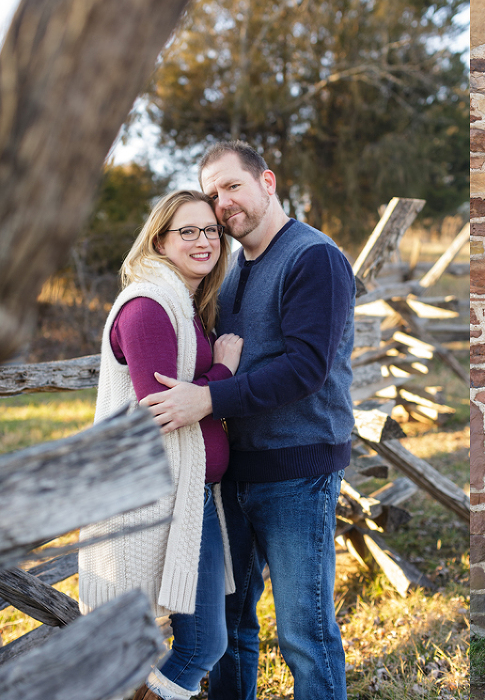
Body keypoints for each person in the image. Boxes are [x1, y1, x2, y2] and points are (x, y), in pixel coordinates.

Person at [139, 141, 356, 700]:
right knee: (233, 627)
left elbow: (305, 369)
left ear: (267, 181)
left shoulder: (313, 257)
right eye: (212, 194)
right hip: (235, 475)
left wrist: (208, 401)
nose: (222, 203)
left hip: (297, 470)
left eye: (232, 186)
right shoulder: (233, 272)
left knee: (304, 631)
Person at [78, 190, 243, 700]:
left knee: (203, 641)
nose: (203, 241)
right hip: (165, 498)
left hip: (191, 497)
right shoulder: (149, 305)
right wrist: (225, 371)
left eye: (211, 231)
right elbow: (161, 407)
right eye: (187, 231)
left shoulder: (184, 305)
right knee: (203, 645)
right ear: (160, 241)